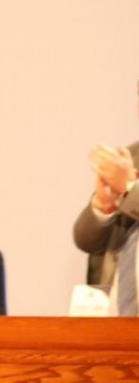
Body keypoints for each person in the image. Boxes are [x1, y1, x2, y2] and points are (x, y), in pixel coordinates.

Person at [72, 85, 139, 314]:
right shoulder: (131, 157)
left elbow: (131, 191)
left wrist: (129, 188)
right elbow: (86, 240)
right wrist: (103, 206)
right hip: (116, 316)